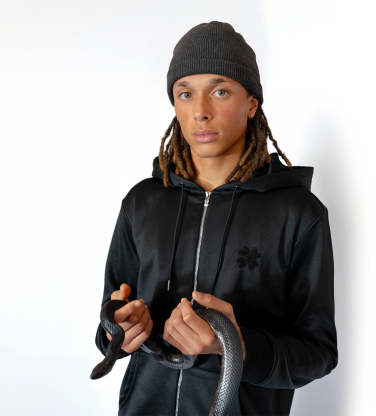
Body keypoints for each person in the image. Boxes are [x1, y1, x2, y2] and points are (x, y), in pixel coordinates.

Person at [94, 20, 338, 416]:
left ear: (251, 103)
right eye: (185, 93)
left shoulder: (298, 213)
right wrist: (119, 330)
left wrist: (232, 344)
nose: (201, 112)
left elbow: (318, 354)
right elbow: (108, 326)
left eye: (220, 91)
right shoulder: (142, 203)